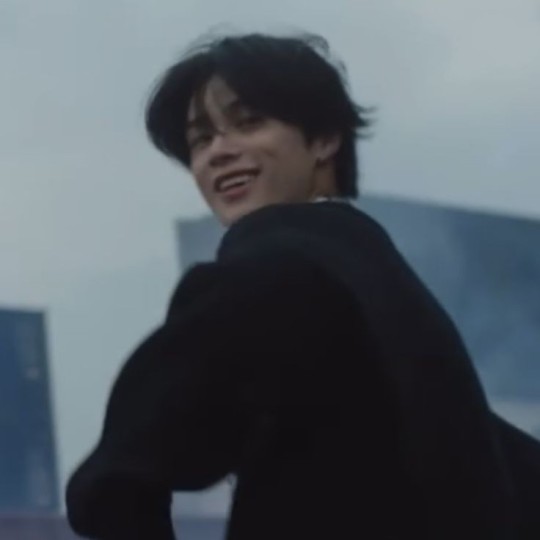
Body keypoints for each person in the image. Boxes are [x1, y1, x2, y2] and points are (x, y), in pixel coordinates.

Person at [65, 33, 540, 539]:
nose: (218, 152)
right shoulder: (391, 294)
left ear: (324, 139)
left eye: (249, 122)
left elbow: (114, 479)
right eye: (200, 140)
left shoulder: (269, 276)